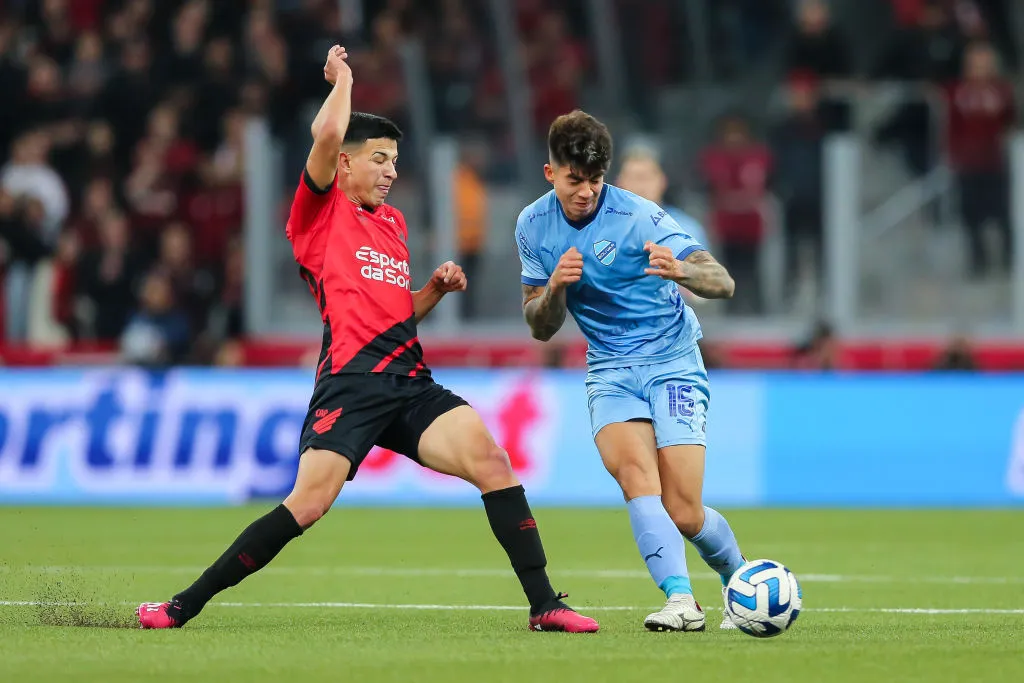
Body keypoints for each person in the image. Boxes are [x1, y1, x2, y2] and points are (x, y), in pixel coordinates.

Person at [137, 46, 598, 634]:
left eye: (395, 160)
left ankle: (544, 605)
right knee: (306, 506)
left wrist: (431, 290)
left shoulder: (394, 225)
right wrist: (345, 78)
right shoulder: (318, 213)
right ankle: (183, 605)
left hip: (409, 383)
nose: (390, 170)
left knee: (494, 461)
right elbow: (328, 133)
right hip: (350, 385)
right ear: (345, 165)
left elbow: (393, 313)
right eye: (379, 158)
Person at [516, 109, 747, 632]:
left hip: (673, 362)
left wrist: (683, 269)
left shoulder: (639, 216)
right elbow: (539, 326)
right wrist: (554, 289)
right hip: (611, 369)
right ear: (550, 172)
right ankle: (682, 600)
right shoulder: (532, 225)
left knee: (684, 510)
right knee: (636, 480)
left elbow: (723, 281)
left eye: (596, 181)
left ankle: (740, 580)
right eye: (575, 180)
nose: (586, 193)